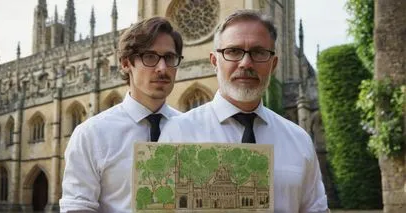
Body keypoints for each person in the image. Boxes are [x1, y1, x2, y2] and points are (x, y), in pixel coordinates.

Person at [159, 10, 329, 212]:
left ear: (273, 64)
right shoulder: (177, 133)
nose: (246, 63)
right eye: (233, 51)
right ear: (214, 61)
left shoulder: (299, 139)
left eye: (259, 52)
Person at [59, 17, 183, 213]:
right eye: (149, 57)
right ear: (126, 64)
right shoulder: (91, 134)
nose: (162, 68)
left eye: (169, 58)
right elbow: (77, 208)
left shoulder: (191, 128)